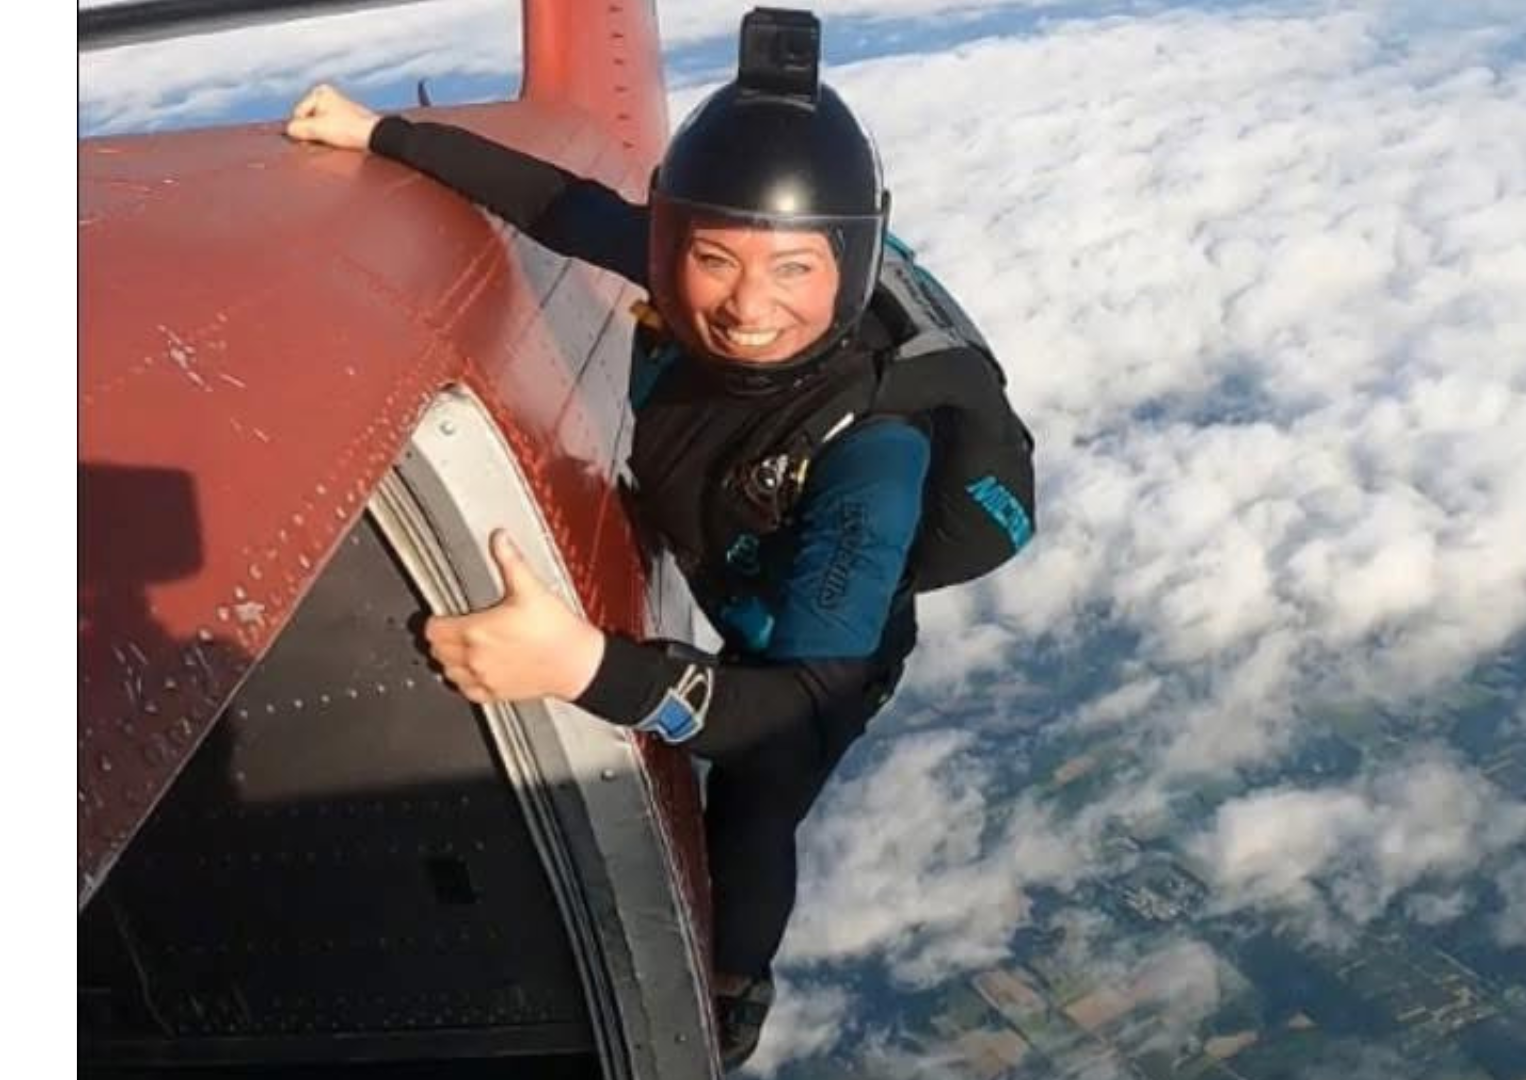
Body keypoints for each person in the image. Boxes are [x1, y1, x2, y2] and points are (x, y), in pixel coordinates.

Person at [285, 7, 1033, 1070]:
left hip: (820, 645)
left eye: (793, 273)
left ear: (852, 268)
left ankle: (735, 990)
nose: (744, 306)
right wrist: (382, 136)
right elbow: (561, 205)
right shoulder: (680, 267)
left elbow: (801, 692)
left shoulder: (878, 457)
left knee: (758, 800)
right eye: (715, 261)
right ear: (677, 240)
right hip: (741, 557)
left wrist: (582, 666)